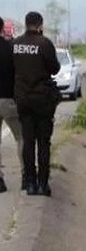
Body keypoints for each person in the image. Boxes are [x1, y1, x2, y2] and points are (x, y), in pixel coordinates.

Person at [12, 12, 60, 196]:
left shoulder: (15, 44)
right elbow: (55, 68)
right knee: (43, 142)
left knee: (28, 142)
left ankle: (30, 184)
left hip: (22, 99)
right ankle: (42, 184)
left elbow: (12, 68)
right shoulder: (44, 43)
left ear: (26, 24)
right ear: (40, 25)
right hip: (42, 100)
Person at [0, 17, 25, 193]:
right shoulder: (10, 48)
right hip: (8, 99)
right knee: (21, 138)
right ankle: (26, 175)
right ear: (2, 28)